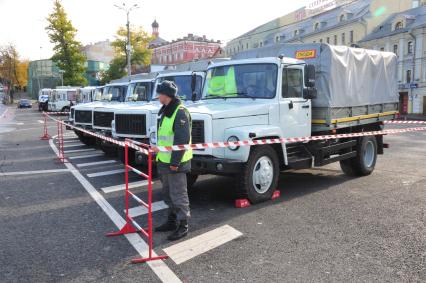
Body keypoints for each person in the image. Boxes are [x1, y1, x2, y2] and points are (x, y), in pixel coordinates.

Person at [154, 80, 192, 241]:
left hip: (176, 163)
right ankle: (171, 221)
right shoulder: (166, 110)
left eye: (159, 94)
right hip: (164, 160)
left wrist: (175, 162)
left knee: (178, 195)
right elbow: (165, 137)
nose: (157, 97)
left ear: (166, 95)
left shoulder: (180, 112)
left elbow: (181, 140)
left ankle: (183, 225)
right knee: (168, 194)